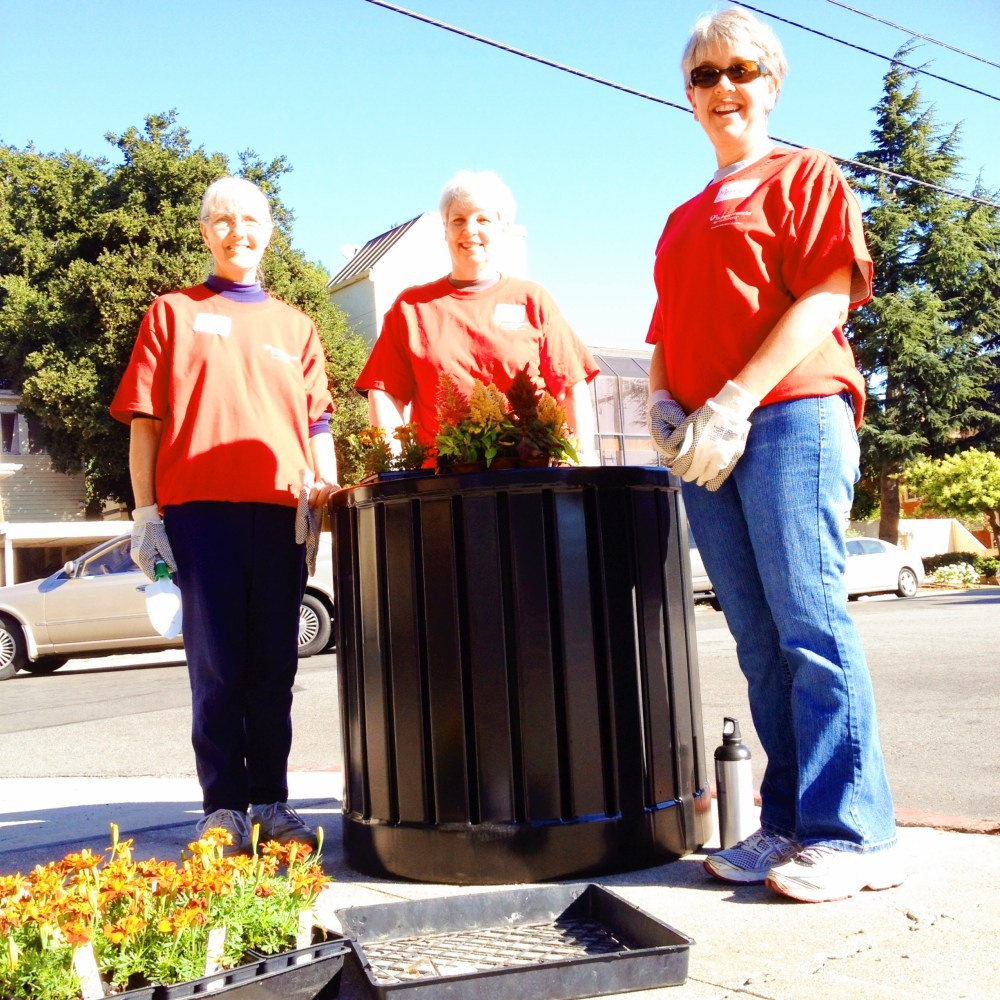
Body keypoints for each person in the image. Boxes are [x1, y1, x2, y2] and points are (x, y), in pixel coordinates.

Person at [646, 8, 902, 902]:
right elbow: (667, 335)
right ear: (688, 95)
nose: (724, 89)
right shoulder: (680, 218)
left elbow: (826, 296)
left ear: (773, 81)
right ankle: (790, 820)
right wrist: (663, 404)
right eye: (704, 76)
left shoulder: (805, 175)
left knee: (810, 621)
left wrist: (735, 400)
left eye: (741, 70)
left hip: (790, 415)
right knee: (758, 637)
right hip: (707, 440)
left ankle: (854, 832)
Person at [110, 176, 340, 855]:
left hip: (279, 515)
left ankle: (270, 804)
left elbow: (316, 421)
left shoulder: (296, 327)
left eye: (253, 220)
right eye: (225, 220)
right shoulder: (172, 314)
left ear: (270, 231)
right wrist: (145, 513)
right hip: (199, 514)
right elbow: (144, 424)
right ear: (207, 232)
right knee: (218, 667)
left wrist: (323, 486)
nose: (240, 231)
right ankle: (222, 811)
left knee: (274, 667)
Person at [355, 169, 600, 463]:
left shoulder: (532, 300)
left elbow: (571, 388)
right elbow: (385, 394)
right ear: (445, 231)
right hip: (441, 486)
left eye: (482, 219)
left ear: (503, 229)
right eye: (457, 220)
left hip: (528, 479)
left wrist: (581, 459)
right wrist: (393, 468)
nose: (469, 230)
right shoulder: (411, 308)